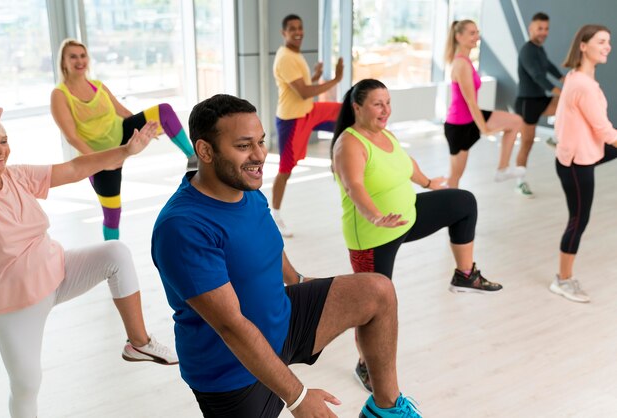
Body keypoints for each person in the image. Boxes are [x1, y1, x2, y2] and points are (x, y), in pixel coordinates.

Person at [151, 94, 422, 418]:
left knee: (377, 291)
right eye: (243, 146)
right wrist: (298, 397)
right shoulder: (183, 227)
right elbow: (231, 326)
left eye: (261, 142)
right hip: (230, 371)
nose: (260, 155)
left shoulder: (247, 191)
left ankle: (385, 410)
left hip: (282, 320)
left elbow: (268, 249)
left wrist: (299, 281)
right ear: (205, 151)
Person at [0, 108, 178, 418]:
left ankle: (138, 343)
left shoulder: (17, 176)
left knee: (116, 253)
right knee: (26, 385)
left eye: (2, 141)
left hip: (57, 270)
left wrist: (126, 151)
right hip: (15, 306)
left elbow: (76, 167)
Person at [331, 78, 502, 393]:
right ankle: (364, 364)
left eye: (388, 102)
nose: (386, 110)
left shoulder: (386, 135)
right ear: (357, 107)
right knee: (374, 305)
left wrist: (427, 182)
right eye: (377, 104)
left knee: (463, 202)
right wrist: (375, 216)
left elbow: (405, 164)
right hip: (373, 235)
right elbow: (354, 186)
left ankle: (465, 275)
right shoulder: (350, 144)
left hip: (407, 216)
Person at [50, 38, 197, 241]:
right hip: (96, 157)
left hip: (121, 134)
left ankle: (193, 157)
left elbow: (123, 112)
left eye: (82, 55)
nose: (79, 60)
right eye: (73, 56)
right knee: (112, 214)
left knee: (163, 111)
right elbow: (72, 137)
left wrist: (145, 129)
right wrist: (103, 161)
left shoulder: (98, 86)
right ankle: (112, 259)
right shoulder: (59, 94)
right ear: (63, 62)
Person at [550, 24, 617, 303]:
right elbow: (604, 130)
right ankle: (562, 280)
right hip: (577, 163)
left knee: (579, 218)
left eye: (609, 42)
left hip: (582, 152)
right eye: (601, 42)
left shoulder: (576, 77)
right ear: (583, 45)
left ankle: (564, 278)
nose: (607, 47)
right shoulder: (583, 85)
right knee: (579, 219)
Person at [271, 14, 344, 237]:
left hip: (307, 112)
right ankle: (275, 215)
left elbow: (301, 87)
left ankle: (338, 161)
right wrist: (335, 79)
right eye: (292, 28)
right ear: (284, 33)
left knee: (345, 113)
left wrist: (315, 76)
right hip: (292, 120)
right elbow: (302, 92)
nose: (298, 32)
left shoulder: (294, 53)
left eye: (300, 27)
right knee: (285, 170)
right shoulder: (285, 57)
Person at [444, 20, 524, 189]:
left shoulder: (466, 61)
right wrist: (485, 129)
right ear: (459, 36)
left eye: (477, 32)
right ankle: (448, 211)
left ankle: (502, 170)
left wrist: (482, 126)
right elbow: (471, 101)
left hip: (470, 118)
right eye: (472, 33)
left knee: (515, 121)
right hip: (459, 126)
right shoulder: (461, 64)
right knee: (454, 178)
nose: (477, 37)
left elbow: (472, 104)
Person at [514, 12, 564, 198]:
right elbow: (538, 76)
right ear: (531, 29)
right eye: (540, 28)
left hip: (540, 99)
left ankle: (556, 137)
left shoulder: (539, 48)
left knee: (566, 104)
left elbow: (548, 66)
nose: (543, 32)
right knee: (526, 145)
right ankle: (520, 183)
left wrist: (563, 78)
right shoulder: (527, 50)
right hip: (527, 103)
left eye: (546, 28)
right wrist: (559, 90)